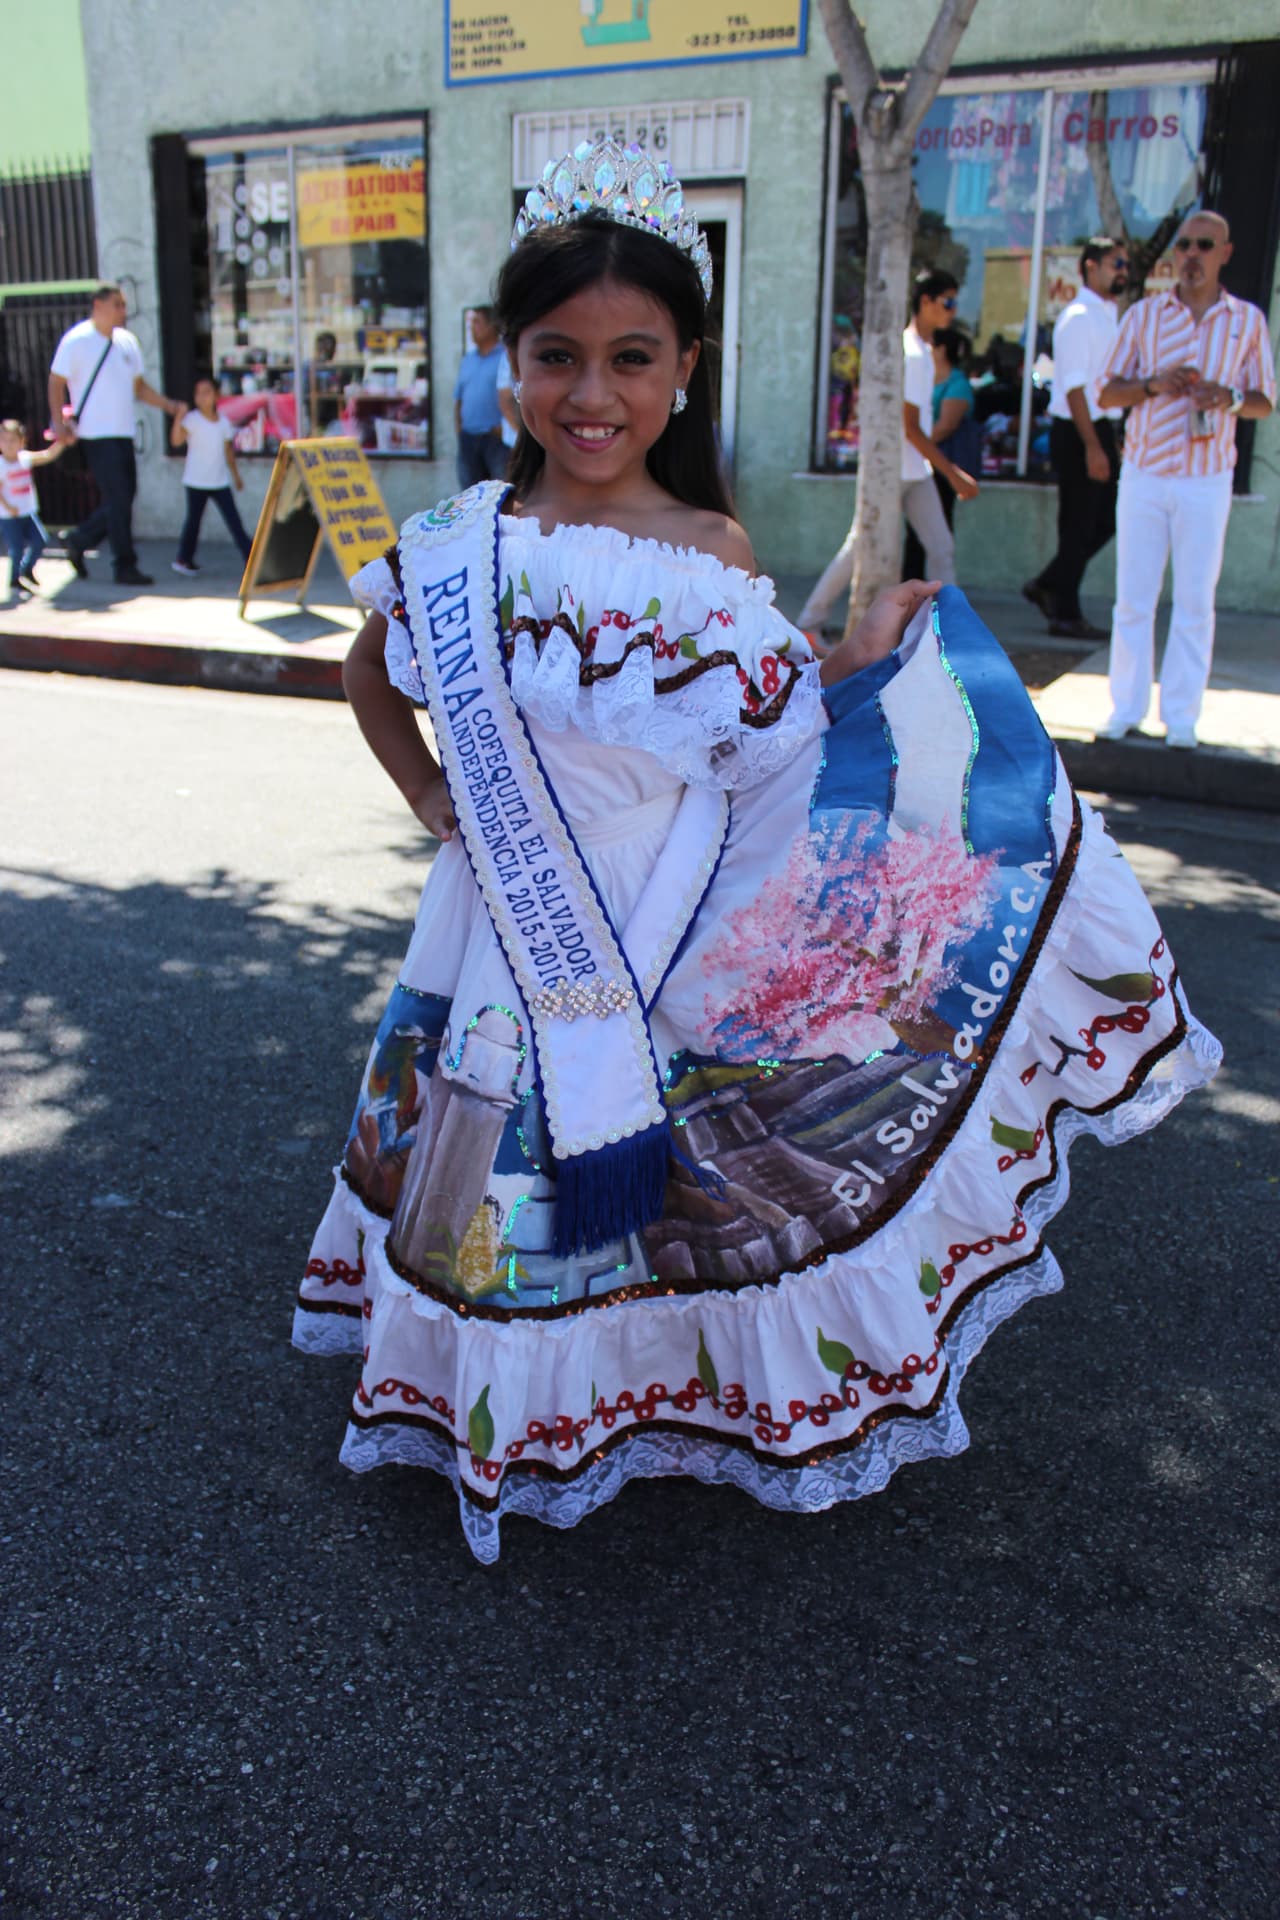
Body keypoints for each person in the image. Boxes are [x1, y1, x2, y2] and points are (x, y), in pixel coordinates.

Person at [293, 140, 1219, 1564]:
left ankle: (644, 1383)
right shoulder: (459, 541)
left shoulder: (710, 547)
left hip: (665, 897)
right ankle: (497, 1395)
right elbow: (369, 670)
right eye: (556, 356)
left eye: (631, 358)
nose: (591, 396)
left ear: (684, 368)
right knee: (500, 1149)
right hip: (504, 914)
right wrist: (430, 795)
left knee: (659, 1156)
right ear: (507, 359)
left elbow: (769, 737)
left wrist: (850, 663)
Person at [1096, 210, 1275, 747]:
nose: (1192, 254)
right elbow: (1106, 391)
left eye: (1204, 245)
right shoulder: (1145, 316)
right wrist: (1154, 385)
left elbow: (1264, 401)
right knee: (1133, 597)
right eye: (1185, 245)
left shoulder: (1247, 321)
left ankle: (1182, 718)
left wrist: (1229, 398)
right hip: (1146, 471)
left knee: (1196, 599)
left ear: (1225, 253)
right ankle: (1125, 708)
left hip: (1206, 477)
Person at [797, 269, 979, 638]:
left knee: (941, 547)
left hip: (917, 473)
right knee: (857, 548)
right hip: (892, 472)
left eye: (955, 303)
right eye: (947, 302)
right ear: (925, 302)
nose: (952, 310)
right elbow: (910, 427)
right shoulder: (910, 353)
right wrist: (953, 473)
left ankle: (953, 631)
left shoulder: (925, 351)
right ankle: (808, 625)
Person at [1023, 238, 1128, 641]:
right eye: (1115, 263)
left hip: (1099, 428)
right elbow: (1074, 387)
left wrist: (1107, 439)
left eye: (1125, 264)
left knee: (1103, 521)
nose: (1122, 270)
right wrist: (1093, 445)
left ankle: (1050, 584)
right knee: (1080, 525)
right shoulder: (1079, 316)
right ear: (1090, 266)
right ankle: (1063, 611)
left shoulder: (1106, 315)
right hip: (1079, 429)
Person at [48, 283, 184, 585]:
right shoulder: (77, 340)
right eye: (117, 304)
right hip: (96, 435)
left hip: (124, 432)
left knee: (124, 498)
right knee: (119, 499)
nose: (123, 311)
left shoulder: (127, 342)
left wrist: (168, 405)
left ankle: (80, 539)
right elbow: (56, 382)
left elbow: (139, 388)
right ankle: (124, 565)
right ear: (98, 305)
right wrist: (58, 422)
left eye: (124, 304)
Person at [903, 324, 979, 579]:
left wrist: (915, 441)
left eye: (932, 344)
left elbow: (945, 426)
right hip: (919, 465)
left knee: (938, 544)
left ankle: (941, 607)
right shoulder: (922, 374)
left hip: (941, 467)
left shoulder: (957, 383)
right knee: (916, 541)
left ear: (942, 349)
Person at [169, 375, 254, 575]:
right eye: (198, 393)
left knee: (234, 521)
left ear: (216, 396)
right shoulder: (192, 420)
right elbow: (176, 441)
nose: (202, 397)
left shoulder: (224, 423)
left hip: (219, 481)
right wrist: (179, 417)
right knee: (193, 522)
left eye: (207, 392)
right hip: (195, 481)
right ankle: (183, 559)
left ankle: (250, 559)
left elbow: (228, 452)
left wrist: (236, 476)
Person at [0, 418, 66, 598]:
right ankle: (14, 580)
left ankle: (26, 569)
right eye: (4, 440)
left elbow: (47, 455)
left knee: (41, 540)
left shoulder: (25, 458)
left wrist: (61, 442)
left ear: (22, 442)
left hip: (27, 512)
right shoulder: (1, 465)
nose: (8, 445)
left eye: (13, 440)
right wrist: (8, 506)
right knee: (17, 548)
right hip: (9, 515)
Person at [453, 305, 507, 489]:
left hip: (495, 440)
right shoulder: (468, 359)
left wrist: (506, 427)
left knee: (499, 497)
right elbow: (458, 398)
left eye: (477, 323)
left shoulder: (506, 358)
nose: (472, 328)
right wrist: (459, 429)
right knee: (468, 500)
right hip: (468, 438)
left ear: (492, 326)